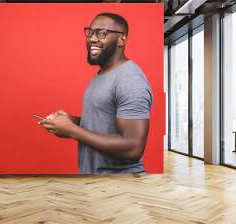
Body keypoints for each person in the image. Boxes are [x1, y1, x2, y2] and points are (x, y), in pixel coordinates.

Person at [40, 12, 153, 174]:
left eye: (102, 33)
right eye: (90, 32)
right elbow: (104, 123)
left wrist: (72, 130)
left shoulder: (130, 80)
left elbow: (133, 148)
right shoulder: (103, 74)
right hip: (97, 181)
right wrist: (72, 121)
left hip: (121, 186)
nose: (92, 38)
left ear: (122, 39)